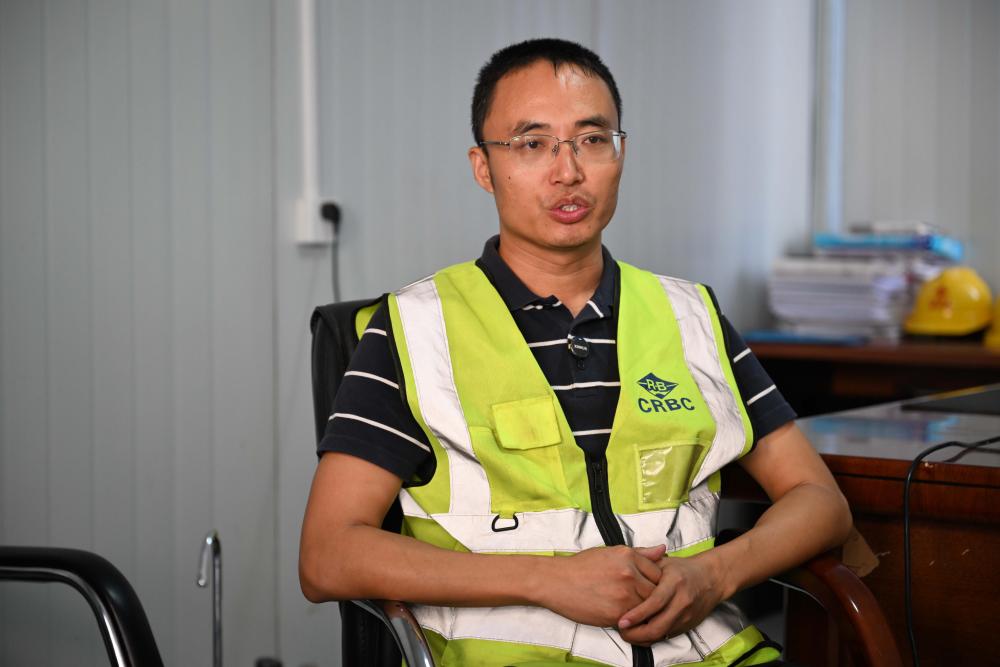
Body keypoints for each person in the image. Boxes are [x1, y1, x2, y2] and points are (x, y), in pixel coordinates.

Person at [299, 38, 852, 667]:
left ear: (621, 154)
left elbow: (820, 501)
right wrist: (548, 579)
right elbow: (327, 555)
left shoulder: (690, 315)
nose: (568, 171)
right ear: (484, 167)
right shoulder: (415, 329)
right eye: (532, 144)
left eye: (592, 140)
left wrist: (715, 575)